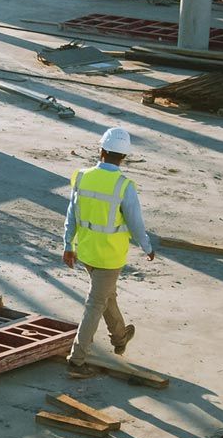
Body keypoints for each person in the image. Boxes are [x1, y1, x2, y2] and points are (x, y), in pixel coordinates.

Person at [63, 126, 157, 379]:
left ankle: (120, 337)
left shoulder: (81, 176)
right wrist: (147, 247)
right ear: (124, 157)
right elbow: (136, 223)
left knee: (106, 296)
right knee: (95, 303)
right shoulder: (124, 186)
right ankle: (77, 360)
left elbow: (72, 213)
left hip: (86, 251)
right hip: (110, 255)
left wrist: (68, 245)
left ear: (101, 150)